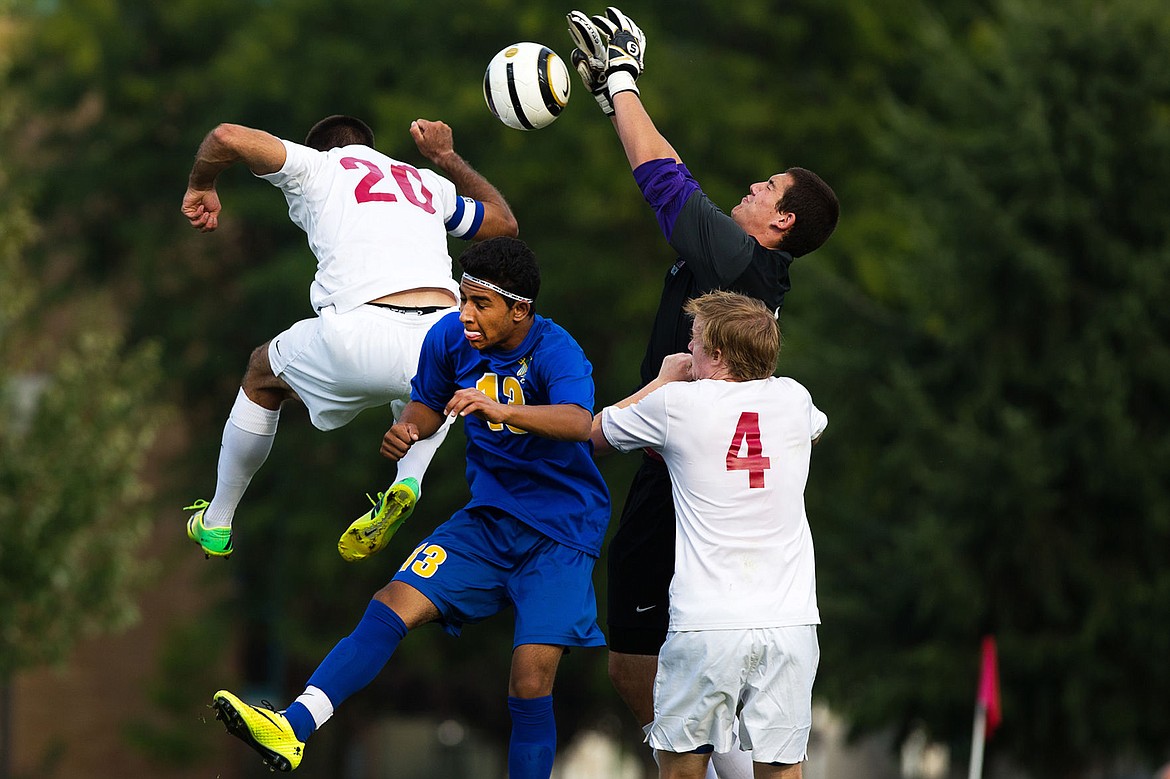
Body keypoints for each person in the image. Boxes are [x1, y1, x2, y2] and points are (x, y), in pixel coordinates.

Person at [208, 237, 611, 778]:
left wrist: (498, 408)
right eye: (463, 299)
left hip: (560, 533)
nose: (465, 314)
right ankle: (293, 728)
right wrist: (409, 428)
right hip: (488, 521)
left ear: (521, 311)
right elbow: (427, 400)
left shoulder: (556, 350)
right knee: (392, 601)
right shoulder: (449, 337)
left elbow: (577, 422)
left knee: (529, 680)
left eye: (480, 305)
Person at [566, 8, 840, 777]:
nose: (750, 186)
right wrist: (613, 101)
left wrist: (622, 82)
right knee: (631, 665)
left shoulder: (744, 263)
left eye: (766, 187)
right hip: (693, 466)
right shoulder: (744, 268)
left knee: (634, 662)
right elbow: (676, 173)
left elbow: (663, 180)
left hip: (683, 469)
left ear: (780, 220)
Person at [180, 114, 517, 561]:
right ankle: (406, 482)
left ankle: (218, 521)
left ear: (322, 149)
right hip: (444, 333)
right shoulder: (424, 182)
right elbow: (504, 224)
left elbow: (226, 136)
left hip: (359, 335)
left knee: (262, 373)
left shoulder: (318, 167)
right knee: (435, 379)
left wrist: (202, 183)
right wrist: (446, 157)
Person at [591, 290, 826, 779]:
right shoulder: (794, 397)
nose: (685, 351)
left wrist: (661, 381)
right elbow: (813, 430)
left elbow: (594, 436)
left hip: (708, 623)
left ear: (717, 355)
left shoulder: (677, 403)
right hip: (790, 621)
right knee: (783, 771)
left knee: (682, 770)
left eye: (693, 342)